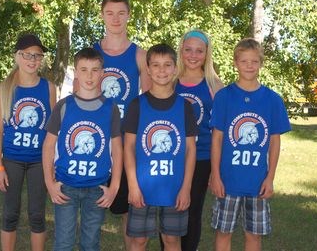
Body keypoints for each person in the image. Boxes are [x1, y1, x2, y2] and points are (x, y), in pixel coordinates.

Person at [209, 38, 291, 251]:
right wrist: (215, 175)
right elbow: (217, 139)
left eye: (254, 61)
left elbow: (274, 141)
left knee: (253, 235)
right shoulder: (224, 97)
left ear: (261, 64)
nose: (249, 66)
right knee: (223, 232)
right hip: (227, 181)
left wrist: (270, 177)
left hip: (257, 182)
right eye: (244, 61)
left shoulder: (272, 100)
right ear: (236, 62)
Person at [42, 48, 123, 251]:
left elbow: (118, 150)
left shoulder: (110, 109)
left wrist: (114, 188)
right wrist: (49, 183)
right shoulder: (63, 106)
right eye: (84, 69)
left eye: (95, 70)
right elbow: (48, 146)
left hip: (97, 188)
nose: (89, 75)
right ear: (75, 72)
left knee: (90, 242)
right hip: (66, 186)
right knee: (63, 242)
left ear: (102, 73)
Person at [92, 0, 152, 249]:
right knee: (92, 212)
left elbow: (149, 103)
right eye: (109, 13)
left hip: (128, 143)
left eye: (120, 13)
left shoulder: (140, 55)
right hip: (96, 142)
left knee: (130, 216)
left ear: (128, 16)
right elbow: (79, 99)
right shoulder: (91, 53)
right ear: (102, 16)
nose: (115, 18)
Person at [124, 43, 197, 251]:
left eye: (167, 65)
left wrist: (186, 187)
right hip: (143, 186)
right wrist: (133, 186)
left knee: (172, 240)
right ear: (147, 69)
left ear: (175, 68)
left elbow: (190, 150)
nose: (162, 70)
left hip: (174, 187)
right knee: (139, 240)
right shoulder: (137, 105)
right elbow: (128, 147)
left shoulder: (184, 107)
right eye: (156, 65)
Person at [0, 33, 56, 251]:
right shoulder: (4, 89)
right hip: (12, 161)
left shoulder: (49, 88)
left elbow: (53, 130)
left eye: (37, 56)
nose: (32, 60)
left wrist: (53, 163)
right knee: (10, 213)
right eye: (27, 55)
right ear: (17, 56)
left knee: (37, 215)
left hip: (40, 161)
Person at [174, 29, 224, 251]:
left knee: (192, 212)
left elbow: (220, 135)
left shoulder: (215, 86)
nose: (193, 55)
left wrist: (215, 170)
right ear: (181, 51)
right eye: (188, 50)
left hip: (202, 158)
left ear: (207, 54)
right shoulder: (170, 80)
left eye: (199, 51)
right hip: (171, 158)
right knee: (171, 210)